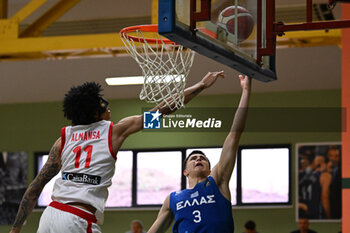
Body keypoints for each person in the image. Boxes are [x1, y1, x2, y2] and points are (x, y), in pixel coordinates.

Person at [9, 71, 225, 233]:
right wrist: (201, 86)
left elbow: (35, 187)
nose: (109, 108)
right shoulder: (113, 131)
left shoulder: (63, 139)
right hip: (77, 218)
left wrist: (15, 228)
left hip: (50, 216)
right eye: (104, 105)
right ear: (95, 112)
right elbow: (161, 110)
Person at [148, 75, 251, 233]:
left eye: (203, 158)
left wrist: (246, 91)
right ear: (185, 171)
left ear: (210, 170)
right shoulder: (172, 199)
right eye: (193, 158)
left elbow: (234, 134)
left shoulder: (217, 181)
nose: (198, 159)